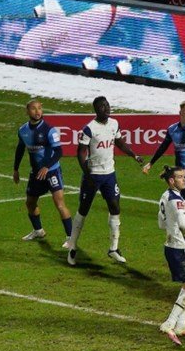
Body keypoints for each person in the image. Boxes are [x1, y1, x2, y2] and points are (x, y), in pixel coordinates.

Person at [65, 96, 145, 266]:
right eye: (102, 106)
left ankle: (113, 249)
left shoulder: (114, 124)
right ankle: (72, 246)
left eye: (107, 105)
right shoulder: (89, 129)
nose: (107, 108)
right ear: (96, 109)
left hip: (109, 174)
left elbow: (120, 143)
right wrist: (87, 172)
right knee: (83, 209)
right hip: (93, 175)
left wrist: (134, 155)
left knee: (115, 207)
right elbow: (80, 152)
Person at [143, 100, 185, 277]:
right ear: (180, 112)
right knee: (182, 216)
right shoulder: (173, 129)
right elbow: (163, 146)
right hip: (181, 179)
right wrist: (151, 163)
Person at [13, 99, 74, 242]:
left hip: (52, 171)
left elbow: (59, 151)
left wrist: (47, 166)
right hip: (36, 173)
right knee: (30, 202)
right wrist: (15, 169)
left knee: (59, 204)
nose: (37, 111)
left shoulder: (49, 130)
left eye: (39, 108)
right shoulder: (23, 130)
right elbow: (20, 148)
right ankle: (38, 231)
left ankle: (71, 237)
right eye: (34, 108)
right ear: (27, 111)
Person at [156, 166, 185, 345]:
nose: (184, 179)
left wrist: (171, 228)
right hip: (181, 248)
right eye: (180, 177)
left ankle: (181, 325)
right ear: (171, 181)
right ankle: (169, 323)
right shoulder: (176, 200)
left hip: (171, 246)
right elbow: (184, 226)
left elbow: (161, 223)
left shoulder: (165, 196)